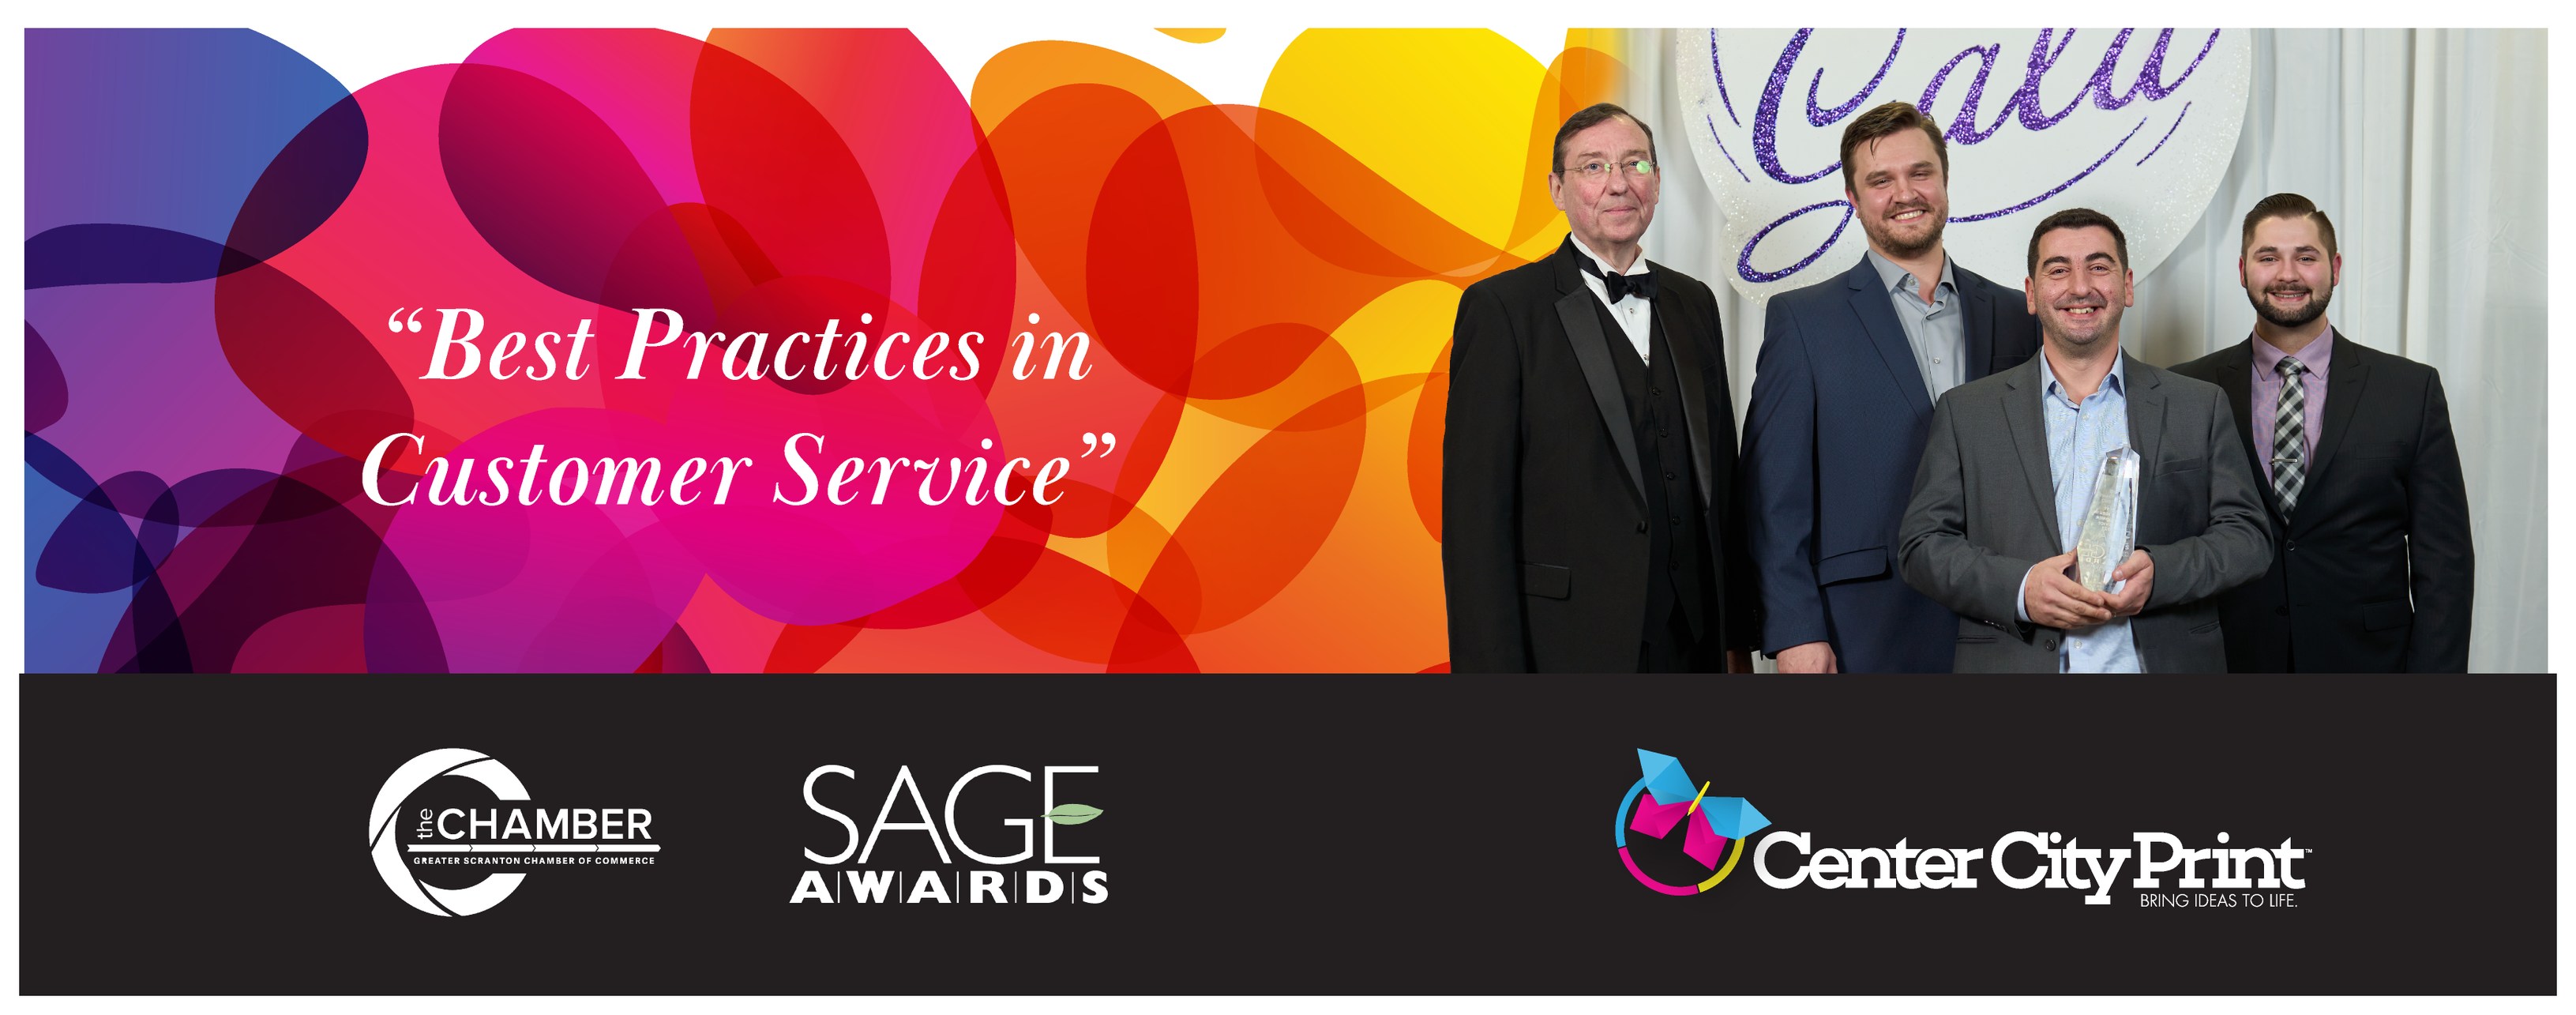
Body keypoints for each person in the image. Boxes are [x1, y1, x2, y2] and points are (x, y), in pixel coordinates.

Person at [1442, 103, 1757, 672]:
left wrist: (1737, 637)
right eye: (1593, 167)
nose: (1618, 183)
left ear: (1656, 183)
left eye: (1635, 164)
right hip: (1566, 647)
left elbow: (1723, 481)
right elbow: (1475, 520)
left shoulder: (1695, 303)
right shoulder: (1502, 309)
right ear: (1557, 190)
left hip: (1694, 645)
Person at [1896, 208, 2269, 672]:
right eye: (2058, 270)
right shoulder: (1966, 413)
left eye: (2098, 266)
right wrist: (2021, 589)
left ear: (2127, 286)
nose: (2079, 287)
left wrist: (2161, 573)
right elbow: (1923, 545)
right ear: (2031, 294)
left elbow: (2248, 538)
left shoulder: (2198, 405)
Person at [1741, 101, 2040, 673]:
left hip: (2003, 623)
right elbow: (1773, 496)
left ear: (1945, 181)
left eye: (1920, 173)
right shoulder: (1803, 321)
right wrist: (1795, 630)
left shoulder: (2016, 314)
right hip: (1862, 628)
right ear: (1853, 198)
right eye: (1881, 180)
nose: (1905, 193)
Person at [2169, 194, 2474, 671]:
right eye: (2268, 257)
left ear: (2335, 267)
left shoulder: (2410, 390)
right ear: (2243, 270)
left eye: (2306, 257)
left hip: (2369, 665)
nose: (2287, 274)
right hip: (2229, 659)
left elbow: (2445, 563)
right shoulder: (2187, 389)